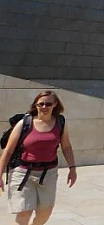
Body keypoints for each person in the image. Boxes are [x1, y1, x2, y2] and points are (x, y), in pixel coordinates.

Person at [0, 90, 77, 225]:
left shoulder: (60, 123)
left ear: (55, 105)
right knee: (24, 213)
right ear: (35, 105)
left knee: (44, 213)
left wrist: (72, 168)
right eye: (41, 104)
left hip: (48, 174)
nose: (44, 107)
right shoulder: (25, 123)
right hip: (23, 173)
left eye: (48, 104)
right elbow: (8, 151)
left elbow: (66, 147)